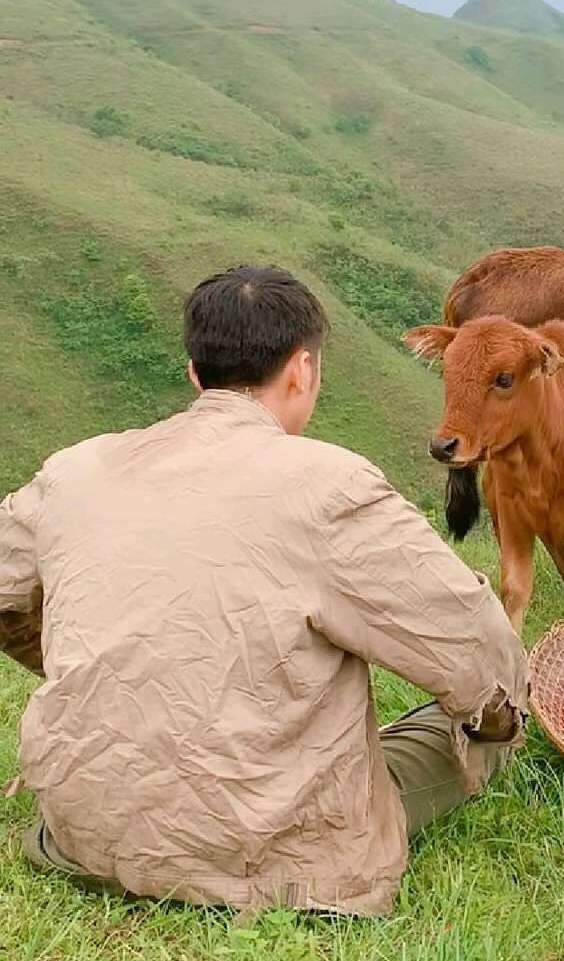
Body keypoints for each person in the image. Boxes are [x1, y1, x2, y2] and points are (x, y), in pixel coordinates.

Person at [0, 266, 528, 915]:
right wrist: (498, 723)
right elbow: (475, 646)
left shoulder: (74, 470)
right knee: (469, 717)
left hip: (85, 829)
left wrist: (79, 662)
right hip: (263, 847)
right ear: (301, 370)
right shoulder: (330, 484)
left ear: (195, 372)